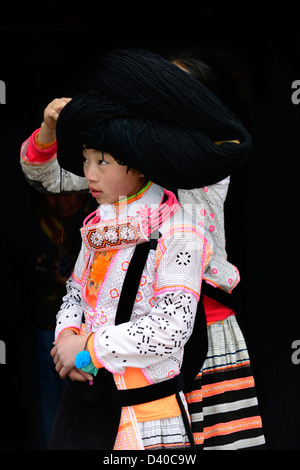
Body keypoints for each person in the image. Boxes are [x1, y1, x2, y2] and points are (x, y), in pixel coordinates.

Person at [20, 48, 265, 450]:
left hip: (201, 320)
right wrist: (51, 128)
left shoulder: (206, 162)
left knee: (218, 442)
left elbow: (170, 325)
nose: (160, 103)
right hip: (123, 335)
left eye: (175, 94)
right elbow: (48, 175)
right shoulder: (126, 164)